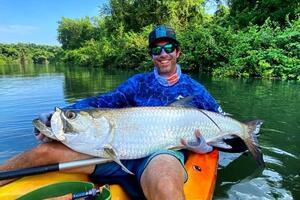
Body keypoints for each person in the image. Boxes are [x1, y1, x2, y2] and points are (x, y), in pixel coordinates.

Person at [0, 25, 223, 199]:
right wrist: (62, 113)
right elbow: (105, 101)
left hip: (160, 153)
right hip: (111, 151)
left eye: (168, 48)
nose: (162, 54)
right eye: (156, 49)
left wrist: (207, 145)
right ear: (151, 55)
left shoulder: (195, 89)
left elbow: (227, 127)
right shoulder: (138, 83)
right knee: (44, 151)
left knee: (165, 184)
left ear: (178, 52)